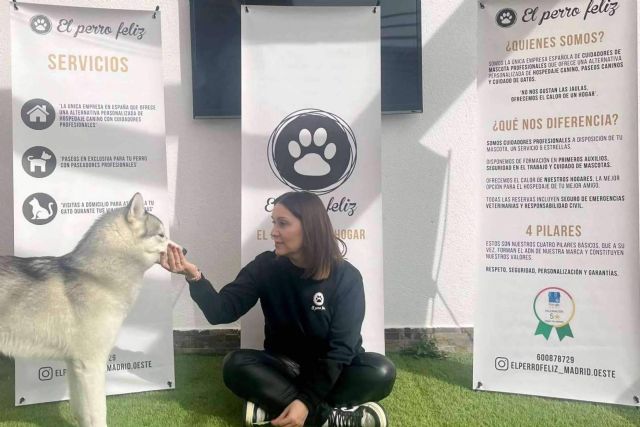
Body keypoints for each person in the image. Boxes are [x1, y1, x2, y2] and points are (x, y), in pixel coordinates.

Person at [161, 191, 395, 427]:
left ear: (310, 228)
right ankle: (329, 418)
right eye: (274, 222)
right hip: (285, 368)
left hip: (333, 369)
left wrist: (305, 401)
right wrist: (194, 277)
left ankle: (278, 406)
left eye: (282, 223)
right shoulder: (265, 266)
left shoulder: (347, 277)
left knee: (381, 371)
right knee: (236, 364)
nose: (274, 231)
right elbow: (221, 311)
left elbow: (341, 350)